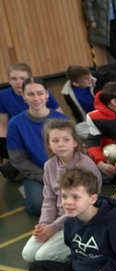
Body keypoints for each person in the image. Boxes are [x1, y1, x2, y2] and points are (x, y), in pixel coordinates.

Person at [22, 119, 102, 264]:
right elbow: (49, 199)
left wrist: (53, 228)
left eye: (66, 139)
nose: (61, 144)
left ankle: (79, 250)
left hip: (79, 221)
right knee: (28, 254)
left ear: (75, 142)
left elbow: (82, 207)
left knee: (42, 257)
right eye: (55, 140)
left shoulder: (85, 166)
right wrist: (44, 224)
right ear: (49, 144)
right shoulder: (49, 166)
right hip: (57, 222)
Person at [7, 77, 69, 215]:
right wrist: (44, 176)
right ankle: (28, 191)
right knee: (38, 206)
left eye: (40, 93)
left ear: (47, 95)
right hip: (36, 173)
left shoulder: (62, 119)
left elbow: (73, 150)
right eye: (30, 94)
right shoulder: (15, 124)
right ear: (24, 97)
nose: (36, 98)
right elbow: (17, 159)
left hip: (63, 170)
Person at [0, 64, 63, 179]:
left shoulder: (42, 93)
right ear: (9, 80)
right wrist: (5, 145)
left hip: (45, 131)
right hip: (21, 133)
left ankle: (14, 167)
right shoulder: (3, 96)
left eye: (22, 78)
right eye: (14, 79)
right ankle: (16, 165)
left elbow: (60, 115)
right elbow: (3, 124)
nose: (18, 82)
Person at [85, 82, 116, 181]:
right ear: (114, 102)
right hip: (106, 153)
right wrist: (100, 163)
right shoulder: (95, 118)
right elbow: (92, 143)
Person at [82, 0, 116, 70]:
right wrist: (91, 20)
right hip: (102, 20)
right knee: (110, 42)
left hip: (114, 18)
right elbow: (88, 5)